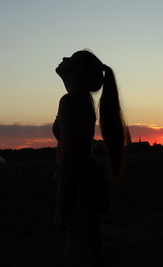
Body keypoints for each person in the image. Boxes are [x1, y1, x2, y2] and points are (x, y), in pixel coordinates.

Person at [53, 50, 126, 267]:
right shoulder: (80, 101)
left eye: (71, 58)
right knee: (88, 254)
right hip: (89, 183)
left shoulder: (71, 101)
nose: (64, 58)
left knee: (80, 257)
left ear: (76, 72)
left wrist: (60, 208)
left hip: (81, 186)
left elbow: (68, 158)